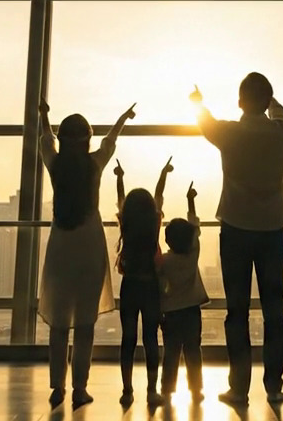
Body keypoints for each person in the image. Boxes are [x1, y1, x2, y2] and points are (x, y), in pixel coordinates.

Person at [190, 73, 283, 406]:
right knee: (274, 312)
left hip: (235, 228)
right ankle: (274, 385)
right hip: (272, 230)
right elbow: (280, 113)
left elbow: (204, 122)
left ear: (239, 102)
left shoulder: (229, 133)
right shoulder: (282, 133)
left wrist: (198, 102)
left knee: (237, 312)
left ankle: (239, 388)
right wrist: (273, 103)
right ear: (267, 101)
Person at [37, 99, 136, 410]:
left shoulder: (54, 164)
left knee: (59, 324)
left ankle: (57, 386)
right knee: (84, 325)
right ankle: (80, 388)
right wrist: (122, 116)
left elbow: (45, 141)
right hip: (89, 247)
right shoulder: (95, 164)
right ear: (87, 140)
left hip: (60, 248)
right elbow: (111, 141)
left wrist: (44, 116)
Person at [113, 158, 170, 407]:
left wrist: (119, 178)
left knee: (128, 338)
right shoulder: (153, 224)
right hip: (150, 287)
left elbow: (121, 199)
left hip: (130, 287)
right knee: (150, 339)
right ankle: (151, 390)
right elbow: (159, 196)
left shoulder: (126, 223)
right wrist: (162, 173)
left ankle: (127, 390)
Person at [158, 181, 209, 403]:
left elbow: (159, 287)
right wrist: (190, 200)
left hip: (171, 312)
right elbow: (195, 228)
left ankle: (167, 389)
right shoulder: (192, 255)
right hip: (192, 311)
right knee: (193, 351)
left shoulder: (164, 262)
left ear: (167, 240)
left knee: (171, 352)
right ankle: (196, 390)